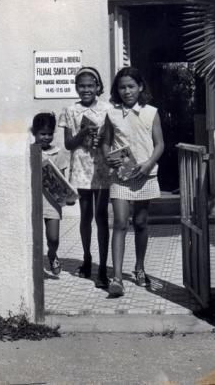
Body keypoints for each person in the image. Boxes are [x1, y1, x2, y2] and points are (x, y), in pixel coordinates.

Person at [101, 66, 164, 297]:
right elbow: (106, 143)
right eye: (122, 87)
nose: (126, 91)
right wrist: (109, 158)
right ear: (117, 90)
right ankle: (117, 279)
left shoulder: (151, 112)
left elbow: (160, 144)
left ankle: (139, 267)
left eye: (131, 86)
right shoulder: (112, 113)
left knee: (140, 222)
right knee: (119, 222)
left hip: (144, 174)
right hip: (121, 177)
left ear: (140, 88)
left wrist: (148, 164)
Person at [58, 67, 111, 288]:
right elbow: (69, 144)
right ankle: (87, 257)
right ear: (76, 88)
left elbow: (112, 138)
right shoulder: (70, 110)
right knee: (85, 216)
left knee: (101, 217)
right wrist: (83, 133)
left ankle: (103, 267)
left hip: (102, 168)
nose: (86, 90)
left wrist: (100, 139)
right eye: (82, 86)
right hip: (81, 168)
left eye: (90, 85)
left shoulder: (108, 109)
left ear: (98, 87)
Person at [32, 112, 69, 276]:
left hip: (52, 201)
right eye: (42, 134)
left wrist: (68, 195)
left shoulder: (58, 152)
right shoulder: (29, 151)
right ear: (34, 132)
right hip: (33, 199)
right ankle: (35, 265)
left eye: (49, 134)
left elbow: (62, 179)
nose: (46, 137)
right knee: (34, 236)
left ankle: (52, 254)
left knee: (53, 237)